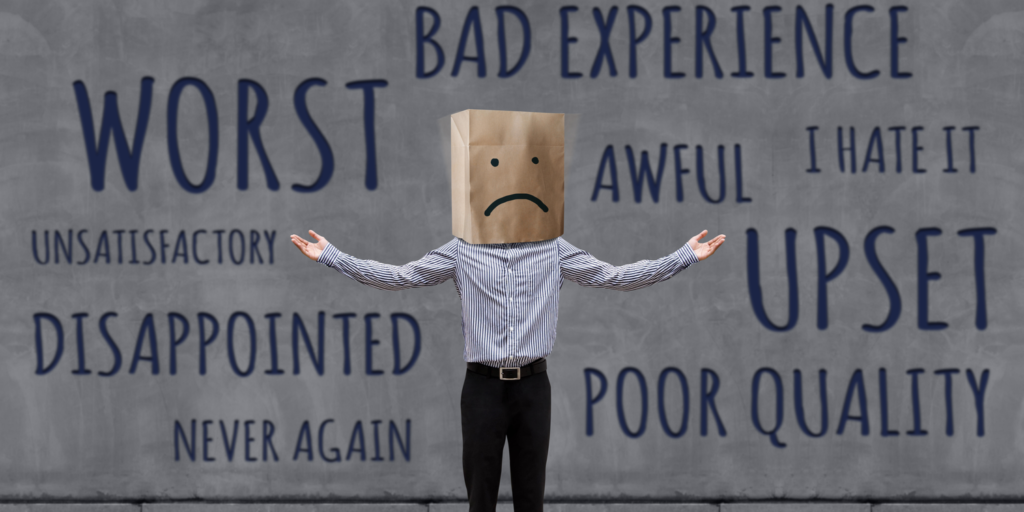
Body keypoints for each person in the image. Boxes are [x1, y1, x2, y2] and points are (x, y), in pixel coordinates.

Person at [290, 229, 725, 511]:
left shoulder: (553, 248)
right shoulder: (462, 249)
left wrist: (684, 255)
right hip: (481, 388)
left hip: (534, 388)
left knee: (530, 502)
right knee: (480, 501)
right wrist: (332, 255)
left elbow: (613, 276)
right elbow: (402, 276)